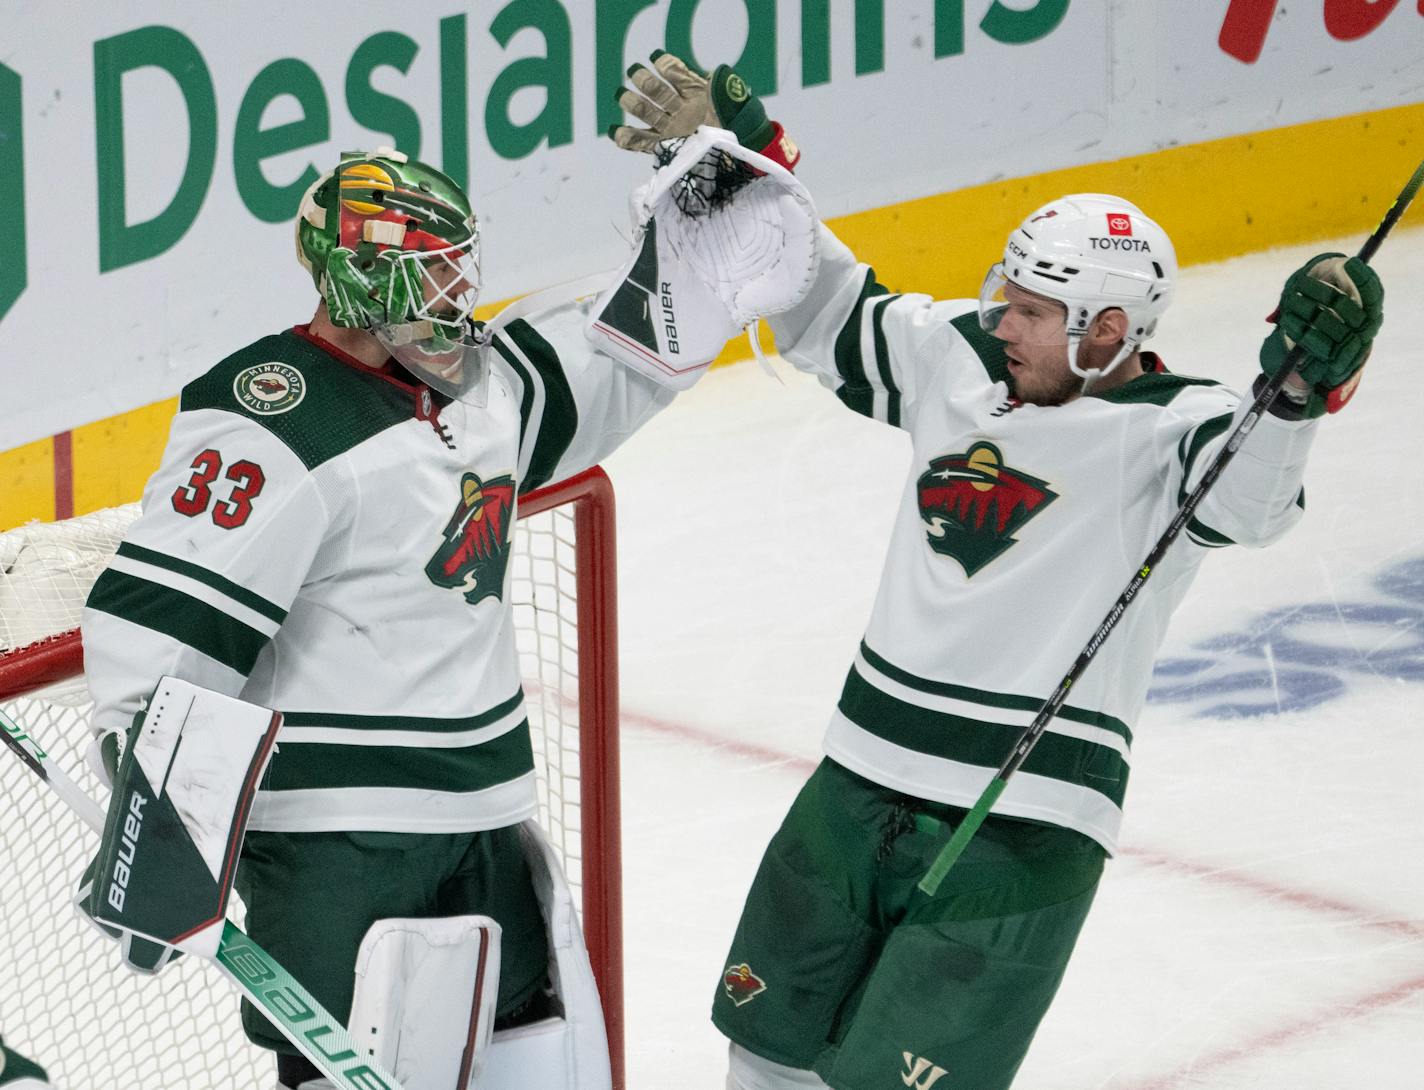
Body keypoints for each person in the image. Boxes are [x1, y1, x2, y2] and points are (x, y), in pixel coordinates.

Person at [611, 58, 1385, 1090]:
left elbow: (1250, 503)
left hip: (1022, 833)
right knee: (762, 1049)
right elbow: (824, 306)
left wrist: (1296, 390)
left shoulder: (1182, 429)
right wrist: (748, 162)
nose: (1000, 318)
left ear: (1107, 331)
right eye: (1003, 295)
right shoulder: (961, 358)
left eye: (1029, 308)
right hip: (856, 781)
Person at [74, 146, 687, 1090]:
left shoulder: (480, 386)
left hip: (484, 812)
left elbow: (625, 355)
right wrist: (148, 788)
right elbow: (165, 619)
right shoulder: (275, 421)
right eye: (434, 266)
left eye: (459, 263)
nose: (459, 288)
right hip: (336, 839)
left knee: (538, 1049)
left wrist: (701, 229)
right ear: (365, 274)